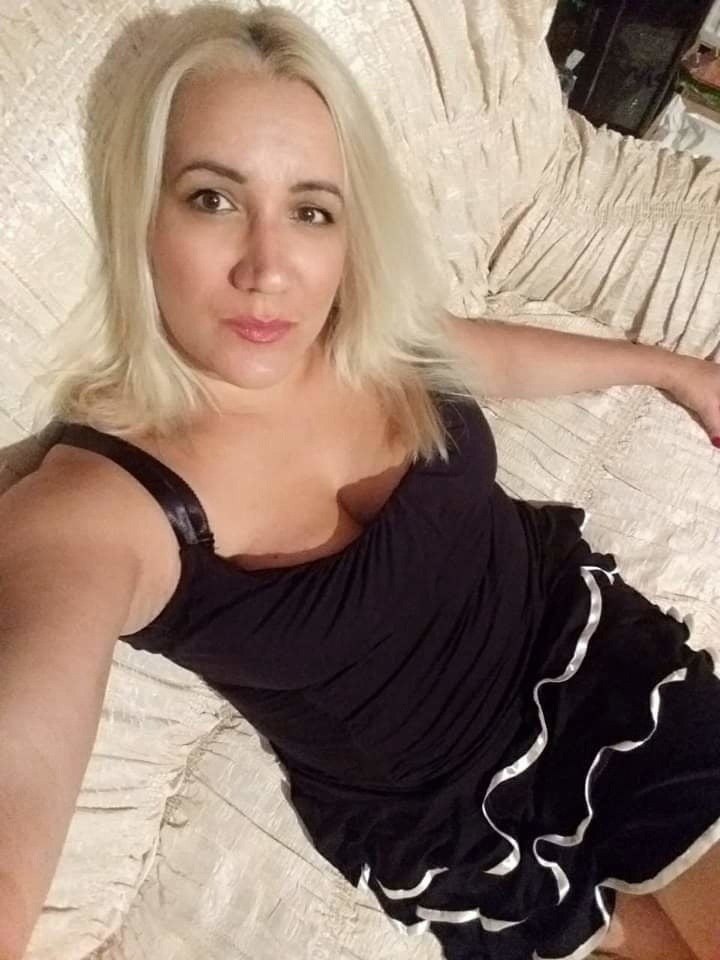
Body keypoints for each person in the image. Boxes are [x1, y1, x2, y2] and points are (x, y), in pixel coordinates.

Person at [1, 5, 719, 959]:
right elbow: (20, 764)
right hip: (447, 826)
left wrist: (674, 370)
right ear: (142, 211)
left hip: (593, 662)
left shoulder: (363, 335)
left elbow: (488, 358)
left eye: (311, 211)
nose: (269, 269)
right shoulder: (97, 507)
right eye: (212, 198)